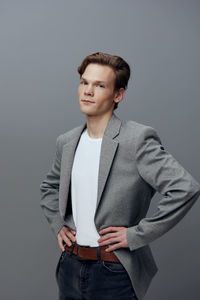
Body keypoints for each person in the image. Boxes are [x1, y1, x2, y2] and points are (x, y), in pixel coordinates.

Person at [40, 52, 200, 300]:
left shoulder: (136, 140)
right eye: (84, 82)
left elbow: (185, 188)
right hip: (69, 267)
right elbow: (49, 187)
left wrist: (135, 234)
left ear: (118, 95)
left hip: (112, 271)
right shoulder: (68, 141)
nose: (88, 91)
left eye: (99, 85)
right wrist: (58, 224)